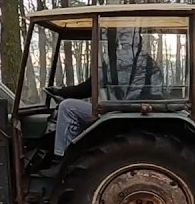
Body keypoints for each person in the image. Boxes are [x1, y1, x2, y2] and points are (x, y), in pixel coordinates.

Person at [48, 28, 161, 157]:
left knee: (67, 107)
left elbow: (87, 88)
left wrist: (60, 91)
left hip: (117, 113)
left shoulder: (114, 63)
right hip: (136, 113)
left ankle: (62, 158)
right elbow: (157, 93)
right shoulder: (151, 64)